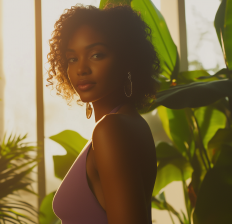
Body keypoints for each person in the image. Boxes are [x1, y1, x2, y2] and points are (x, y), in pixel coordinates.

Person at [46, 3, 159, 224]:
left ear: (127, 60)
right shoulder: (132, 123)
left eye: (96, 55)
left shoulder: (111, 129)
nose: (81, 69)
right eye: (72, 58)